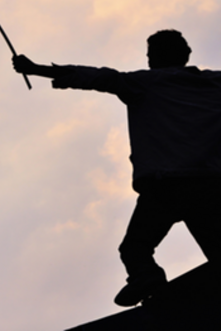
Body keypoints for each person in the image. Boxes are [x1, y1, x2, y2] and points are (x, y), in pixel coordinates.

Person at [12, 30, 221, 306]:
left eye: (149, 53)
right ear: (186, 55)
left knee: (136, 248)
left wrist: (35, 69)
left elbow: (96, 77)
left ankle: (148, 279)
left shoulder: (143, 83)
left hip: (165, 185)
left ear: (156, 56)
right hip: (208, 183)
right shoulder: (215, 83)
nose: (147, 59)